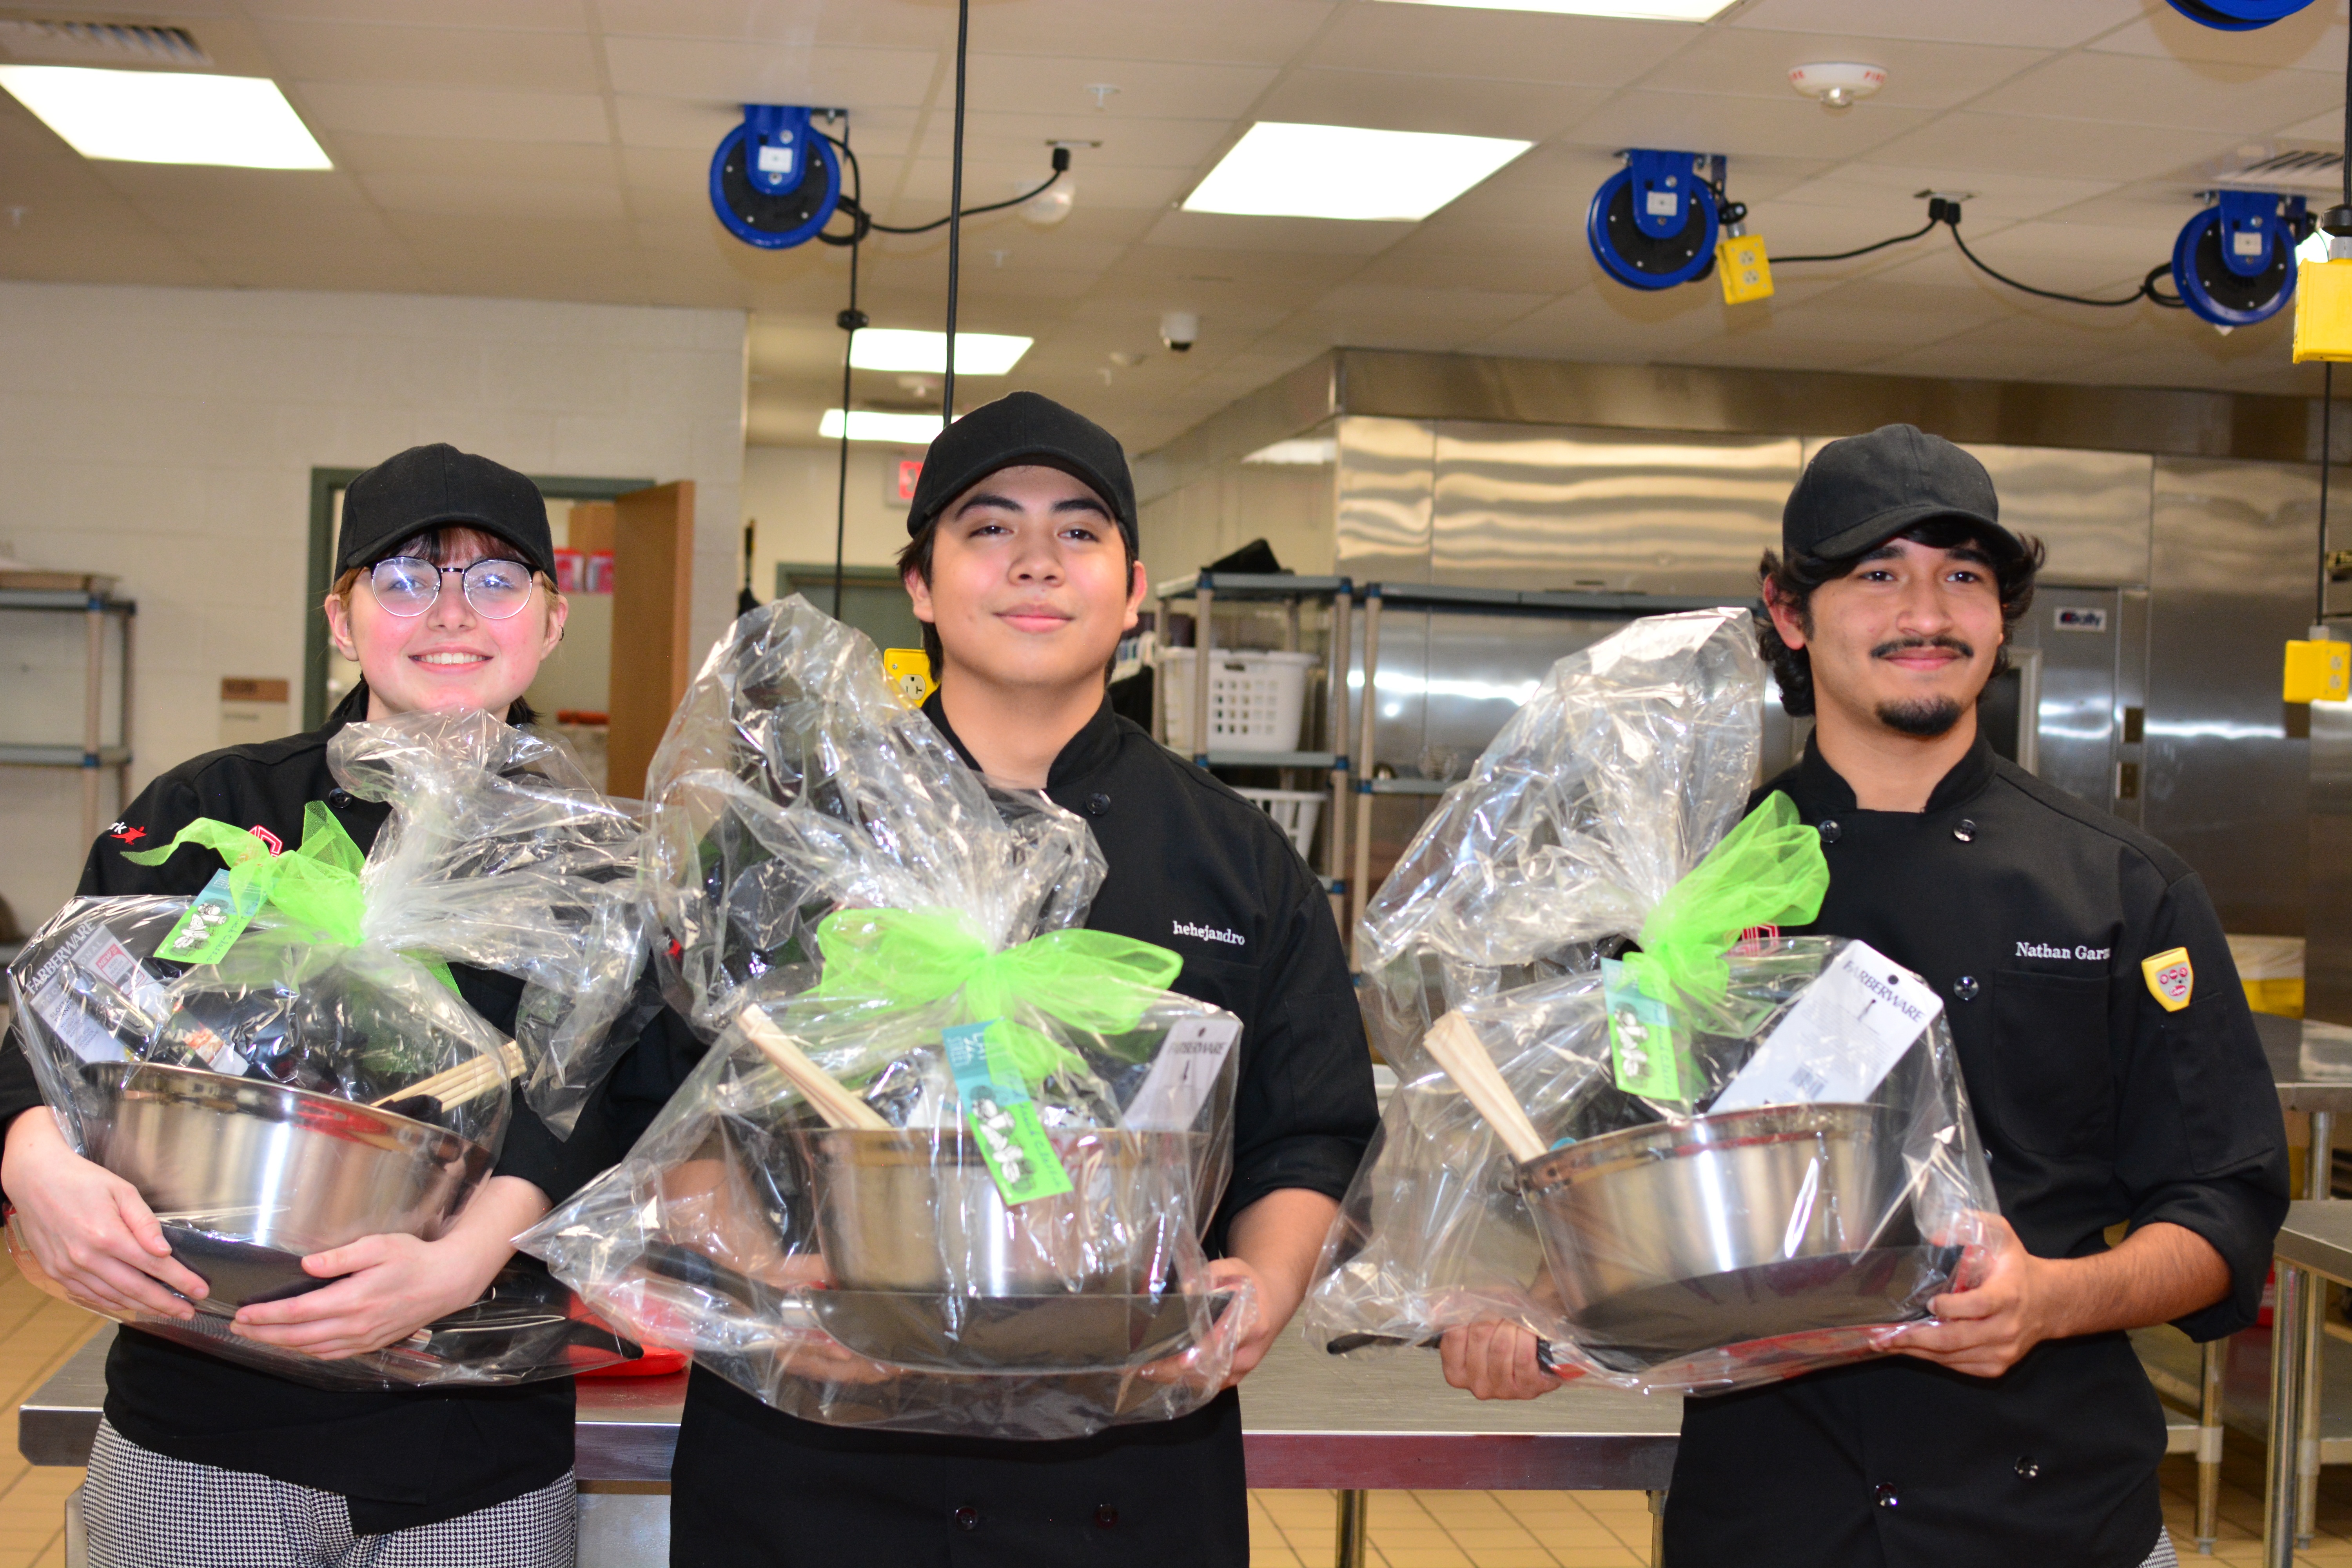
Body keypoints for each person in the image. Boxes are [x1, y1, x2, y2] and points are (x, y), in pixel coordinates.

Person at [1440, 424, 2289, 1568]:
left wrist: (2048, 1298)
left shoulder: (2125, 890)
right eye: (1878, 575)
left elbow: (2224, 1210)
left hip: (2054, 1516)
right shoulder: (1690, 895)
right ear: (1788, 612)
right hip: (1771, 1518)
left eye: (1964, 578)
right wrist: (1524, 1312)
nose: (1926, 612)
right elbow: (1604, 1184)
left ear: (2001, 616)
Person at [666, 391, 1380, 1566]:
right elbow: (677, 1097)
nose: (1037, 562)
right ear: (921, 582)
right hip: (813, 1457)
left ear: (1136, 589)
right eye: (990, 529)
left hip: (1123, 1464)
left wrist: (1265, 1286)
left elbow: (1310, 1130)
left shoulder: (1233, 855)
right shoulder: (790, 837)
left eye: (1080, 531)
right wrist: (765, 1291)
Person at [0, 443, 687, 1568]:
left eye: (497, 578)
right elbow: (59, 1031)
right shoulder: (215, 812)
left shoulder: (602, 860)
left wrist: (462, 1260)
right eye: (407, 577)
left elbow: (612, 1105)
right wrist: (39, 1169)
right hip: (200, 1423)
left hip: (472, 1453)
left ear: (551, 621)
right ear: (341, 616)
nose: (452, 611)